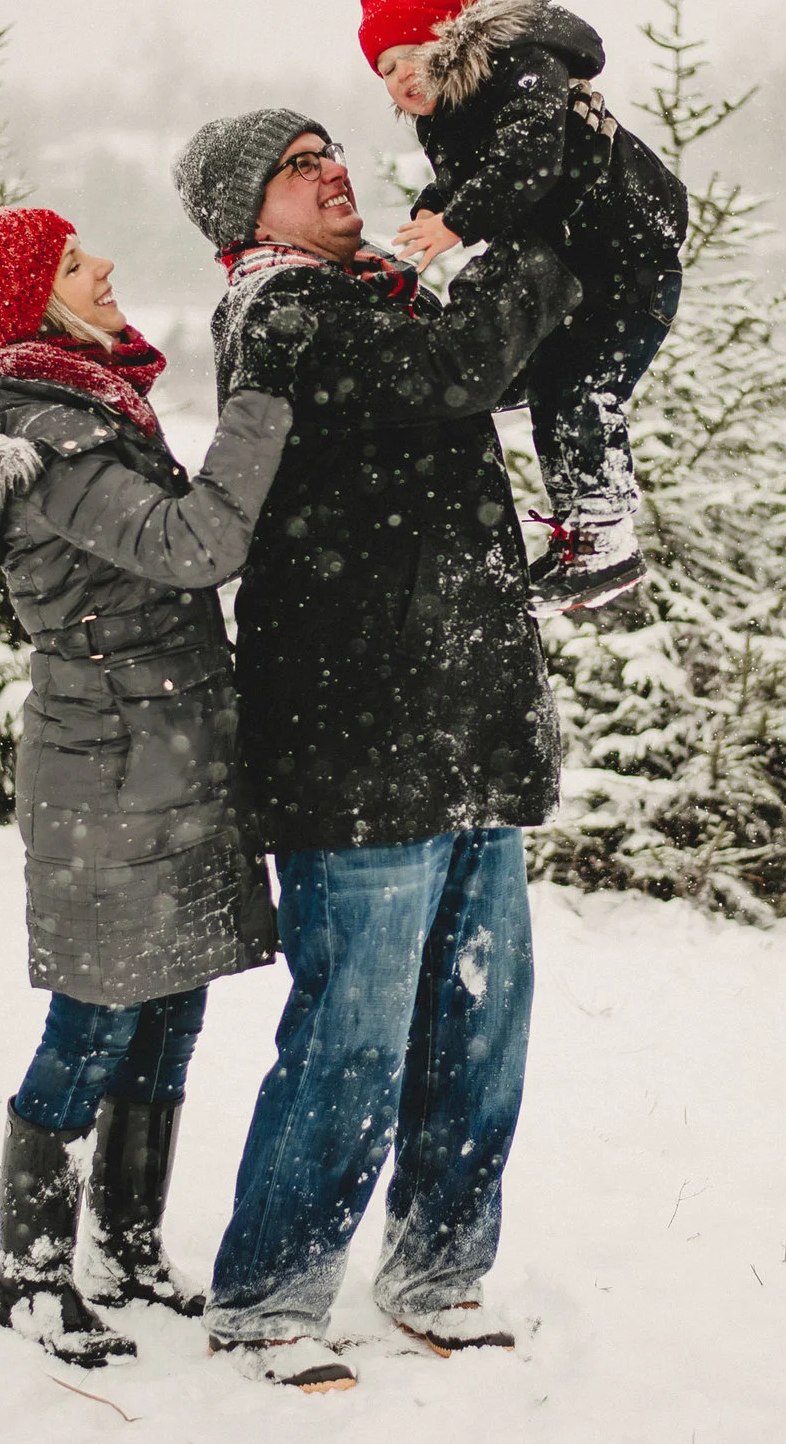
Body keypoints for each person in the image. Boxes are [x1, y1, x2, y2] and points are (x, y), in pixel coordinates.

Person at [169, 109, 580, 1391]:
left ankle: (439, 1270)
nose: (331, 171)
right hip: (355, 737)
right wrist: (540, 235)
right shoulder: (283, 316)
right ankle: (269, 1297)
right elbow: (457, 369)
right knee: (351, 1029)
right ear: (244, 212)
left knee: (478, 1017)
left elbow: (494, 364)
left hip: (462, 724)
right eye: (296, 167)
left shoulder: (380, 298)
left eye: (329, 152)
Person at [0, 206, 309, 1371]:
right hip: (110, 760)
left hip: (165, 746)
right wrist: (262, 396)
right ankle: (29, 1276)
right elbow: (193, 544)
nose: (102, 264)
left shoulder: (89, 405)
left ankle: (125, 1248)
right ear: (29, 304)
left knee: (169, 1004)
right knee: (95, 1017)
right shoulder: (45, 436)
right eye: (70, 261)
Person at [362, 0, 689, 612]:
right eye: (384, 71)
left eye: (407, 56)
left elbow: (529, 156)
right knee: (546, 386)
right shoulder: (448, 114)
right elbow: (470, 175)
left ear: (451, 37)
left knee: (581, 388)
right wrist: (433, 209)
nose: (398, 79)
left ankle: (605, 533)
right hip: (572, 266)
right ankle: (579, 536)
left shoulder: (522, 63)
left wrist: (456, 223)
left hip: (625, 260)